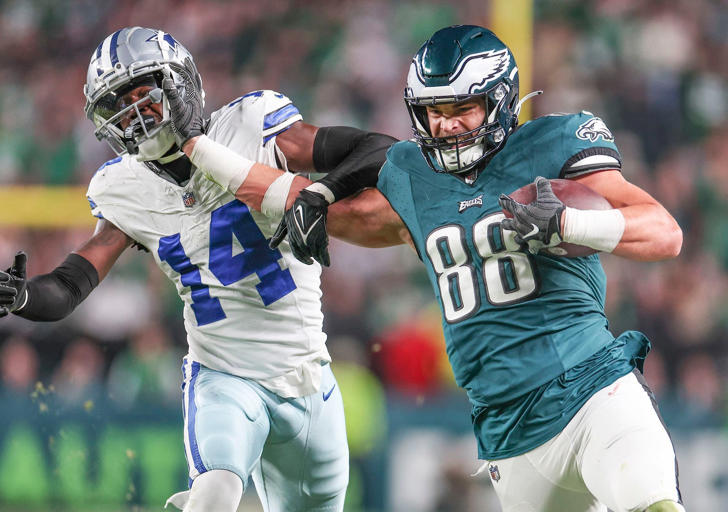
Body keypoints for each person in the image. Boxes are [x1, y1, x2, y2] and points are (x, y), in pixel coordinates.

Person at [269, 25, 687, 512]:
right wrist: (237, 176)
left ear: (500, 101)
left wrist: (569, 223)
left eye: (462, 109)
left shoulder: (553, 142)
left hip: (592, 385)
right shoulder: (411, 175)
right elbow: (342, 199)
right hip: (508, 429)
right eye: (434, 112)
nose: (446, 125)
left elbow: (665, 233)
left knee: (651, 503)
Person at [0, 26, 396, 512]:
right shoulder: (125, 188)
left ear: (179, 82)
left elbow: (379, 150)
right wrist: (26, 297)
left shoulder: (252, 126)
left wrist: (319, 193)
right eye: (120, 107)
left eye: (144, 96)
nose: (136, 116)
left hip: (307, 377)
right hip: (223, 377)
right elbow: (71, 284)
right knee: (216, 491)